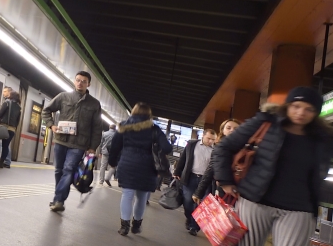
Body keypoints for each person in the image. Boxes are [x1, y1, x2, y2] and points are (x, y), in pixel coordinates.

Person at [213, 87, 333, 246]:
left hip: (299, 209)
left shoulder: (324, 139)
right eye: (296, 106)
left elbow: (320, 175)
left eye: (308, 109)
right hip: (255, 201)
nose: (301, 112)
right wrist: (226, 180)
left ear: (316, 113)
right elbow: (224, 148)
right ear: (287, 105)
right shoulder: (266, 123)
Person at [41, 71, 106, 212]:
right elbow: (46, 111)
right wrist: (51, 125)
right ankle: (58, 198)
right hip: (61, 140)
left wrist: (93, 147)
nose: (80, 83)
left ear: (88, 84)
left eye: (84, 81)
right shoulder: (63, 97)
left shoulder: (94, 104)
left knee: (68, 169)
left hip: (79, 144)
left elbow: (97, 128)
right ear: (74, 81)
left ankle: (59, 200)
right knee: (59, 170)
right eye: (78, 80)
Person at [109, 103, 172, 235]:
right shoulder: (155, 129)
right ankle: (136, 225)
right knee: (141, 198)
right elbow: (167, 148)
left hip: (127, 164)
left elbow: (114, 146)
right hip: (147, 167)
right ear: (149, 115)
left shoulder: (123, 126)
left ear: (133, 112)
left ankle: (124, 226)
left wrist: (112, 162)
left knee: (127, 195)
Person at [174, 128, 218, 235]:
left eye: (213, 139)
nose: (210, 141)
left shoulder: (216, 150)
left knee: (202, 205)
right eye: (208, 138)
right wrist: (177, 171)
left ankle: (194, 227)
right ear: (203, 135)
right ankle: (189, 218)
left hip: (206, 180)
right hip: (190, 177)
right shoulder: (192, 144)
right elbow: (183, 158)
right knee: (188, 202)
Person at [0, 88, 21, 168]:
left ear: (11, 96)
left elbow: (0, 114)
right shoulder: (19, 107)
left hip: (4, 127)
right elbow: (18, 120)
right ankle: (1, 162)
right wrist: (14, 128)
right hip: (12, 129)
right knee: (5, 146)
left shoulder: (7, 103)